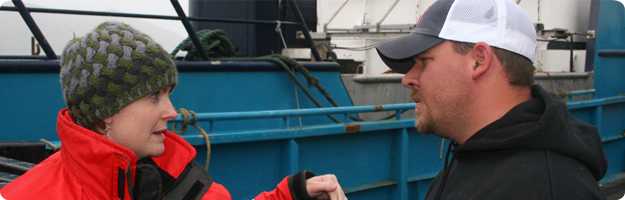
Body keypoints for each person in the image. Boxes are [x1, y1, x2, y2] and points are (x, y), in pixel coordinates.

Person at [0, 21, 345, 200]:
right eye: (154, 97)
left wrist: (291, 195)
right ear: (107, 111)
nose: (173, 111)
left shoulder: (175, 176)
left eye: (169, 94)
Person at [376, 0, 607, 199]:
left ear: (478, 60)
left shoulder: (549, 188)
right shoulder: (474, 154)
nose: (407, 79)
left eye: (423, 62)